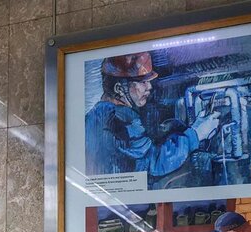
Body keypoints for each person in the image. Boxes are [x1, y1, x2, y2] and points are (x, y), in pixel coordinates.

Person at [85, 52, 220, 182]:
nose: (149, 86)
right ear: (119, 89)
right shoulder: (123, 117)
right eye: (142, 82)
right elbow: (155, 162)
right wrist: (196, 134)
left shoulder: (92, 116)